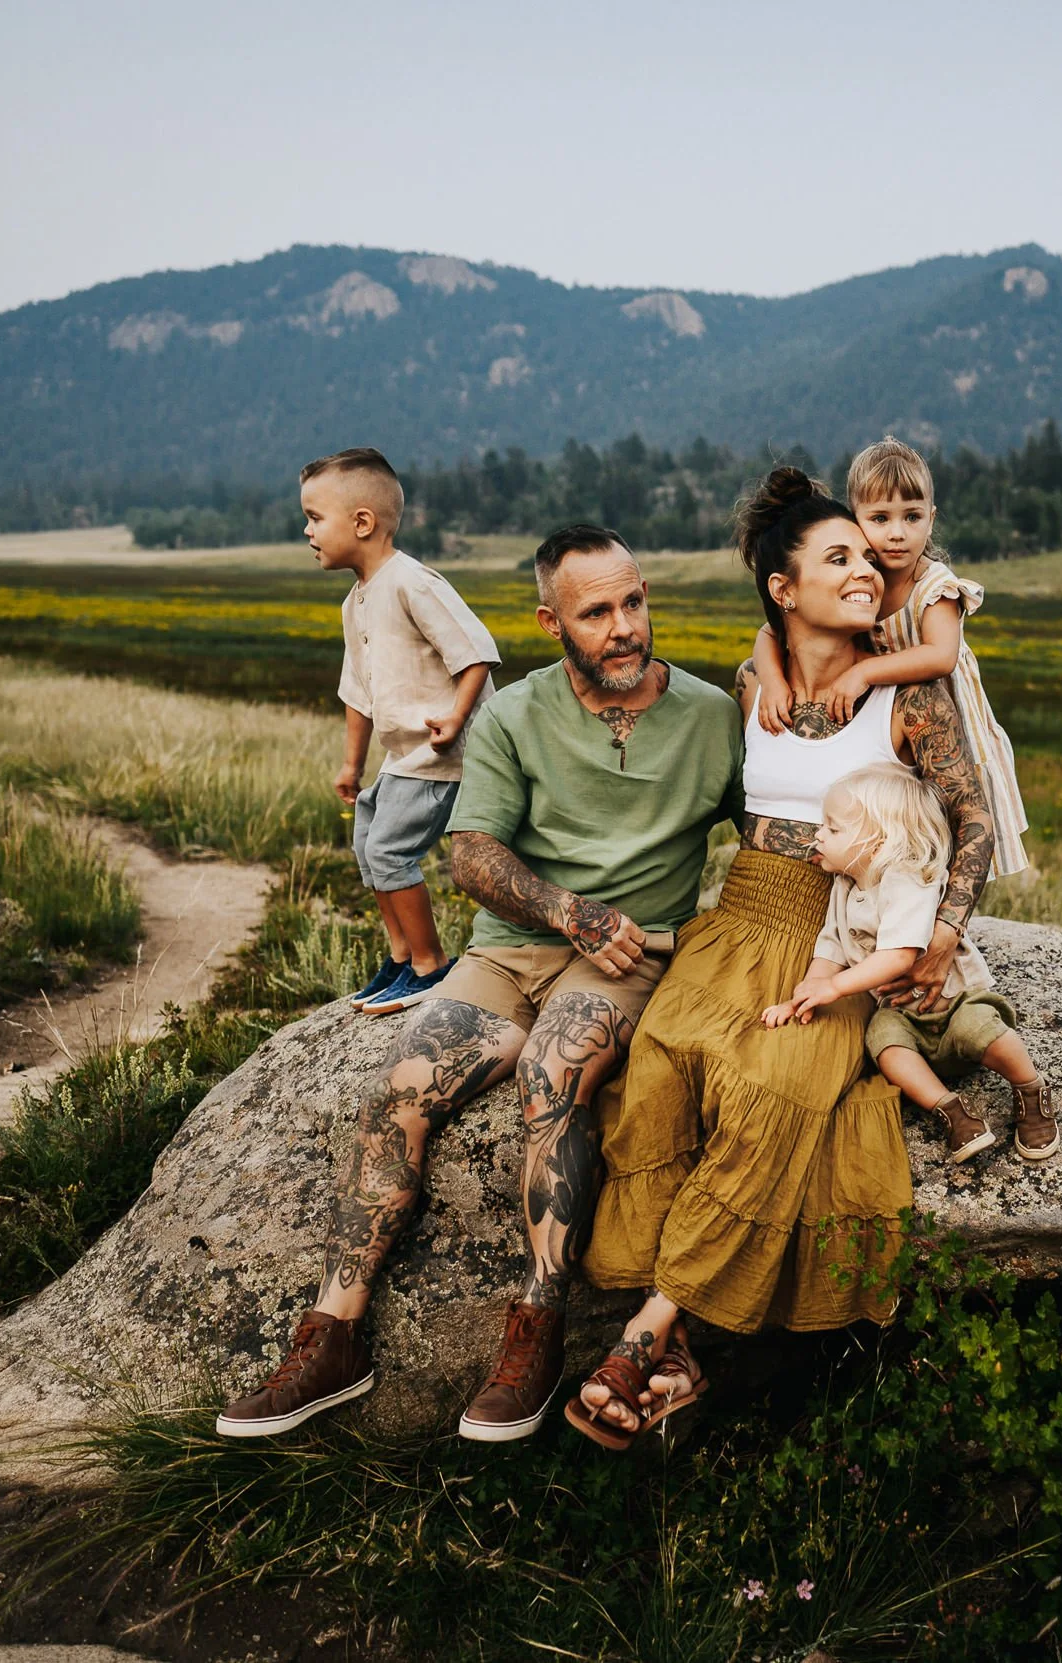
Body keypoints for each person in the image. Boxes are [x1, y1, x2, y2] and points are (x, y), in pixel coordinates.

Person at [217, 523, 744, 1441]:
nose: (623, 627)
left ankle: (535, 1332)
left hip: (629, 960)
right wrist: (567, 910)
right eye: (596, 612)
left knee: (556, 1071)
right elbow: (471, 855)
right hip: (511, 947)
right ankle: (333, 1335)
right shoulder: (515, 712)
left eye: (633, 602)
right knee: (399, 1090)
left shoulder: (711, 715)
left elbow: (776, 839)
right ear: (550, 621)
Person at [564, 467, 998, 1450]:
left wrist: (936, 933)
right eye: (836, 557)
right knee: (664, 1068)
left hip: (840, 933)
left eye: (867, 555)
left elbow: (967, 824)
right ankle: (676, 1360)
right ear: (779, 587)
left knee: (772, 1092)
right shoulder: (752, 679)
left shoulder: (909, 690)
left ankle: (643, 1339)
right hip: (740, 916)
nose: (865, 569)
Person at [749, 436, 1032, 880]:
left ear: (931, 519)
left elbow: (940, 657)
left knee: (954, 821)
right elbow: (769, 632)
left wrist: (864, 671)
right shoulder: (867, 577)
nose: (897, 533)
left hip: (947, 721)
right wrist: (773, 680)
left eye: (912, 517)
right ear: (856, 519)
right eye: (880, 519)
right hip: (890, 725)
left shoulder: (934, 586)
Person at [762, 763, 1056, 1165]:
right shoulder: (845, 886)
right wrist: (804, 995)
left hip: (953, 1002)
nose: (819, 835)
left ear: (876, 840)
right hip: (902, 1012)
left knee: (979, 1030)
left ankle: (1029, 1087)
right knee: (882, 1042)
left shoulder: (906, 878)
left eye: (832, 829)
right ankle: (952, 1111)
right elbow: (830, 946)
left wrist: (835, 988)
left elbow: (900, 954)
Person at [307, 447, 502, 1016]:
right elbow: (358, 693)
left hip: (444, 755)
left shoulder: (413, 582)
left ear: (362, 522)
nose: (307, 530)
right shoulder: (355, 602)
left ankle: (429, 967)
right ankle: (399, 959)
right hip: (403, 758)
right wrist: (352, 764)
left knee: (391, 850)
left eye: (316, 518)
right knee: (367, 842)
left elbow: (475, 653)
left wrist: (456, 717)